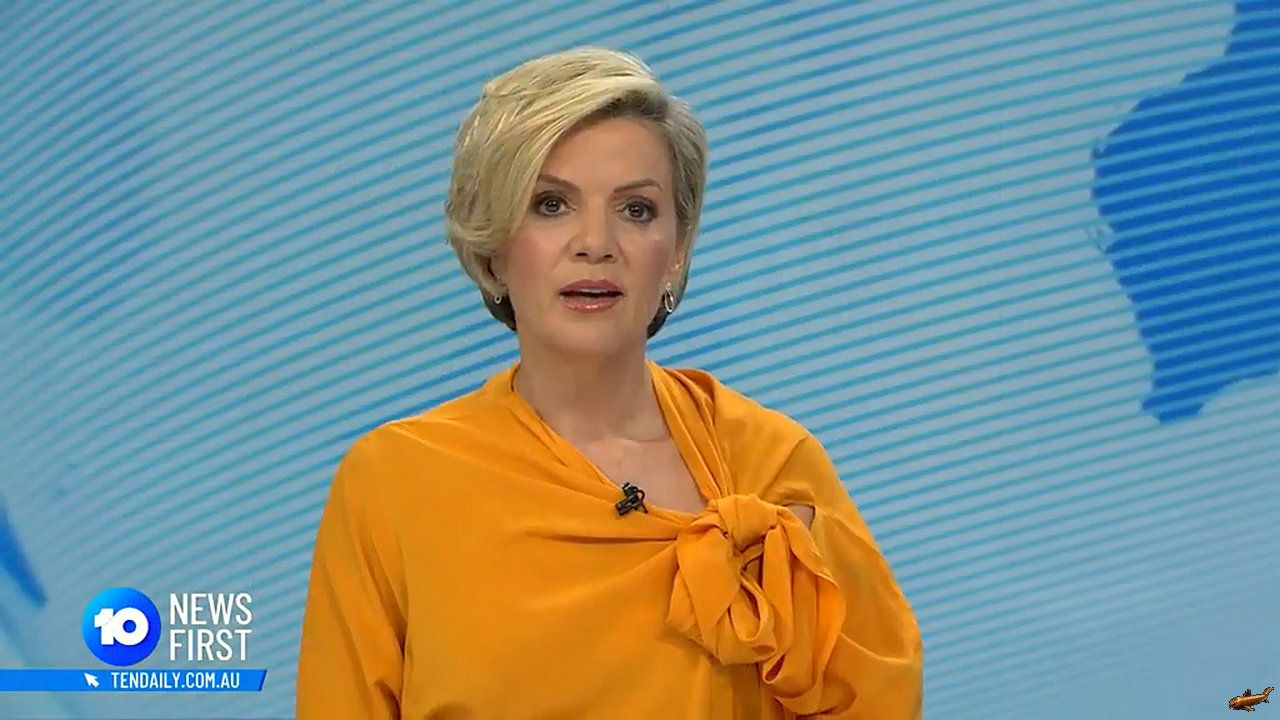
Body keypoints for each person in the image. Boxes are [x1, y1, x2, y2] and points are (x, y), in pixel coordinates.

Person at [296, 46, 923, 719]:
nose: (595, 242)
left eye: (637, 210)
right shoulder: (393, 483)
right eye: (550, 204)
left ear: (677, 250)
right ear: (492, 248)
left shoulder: (771, 464)